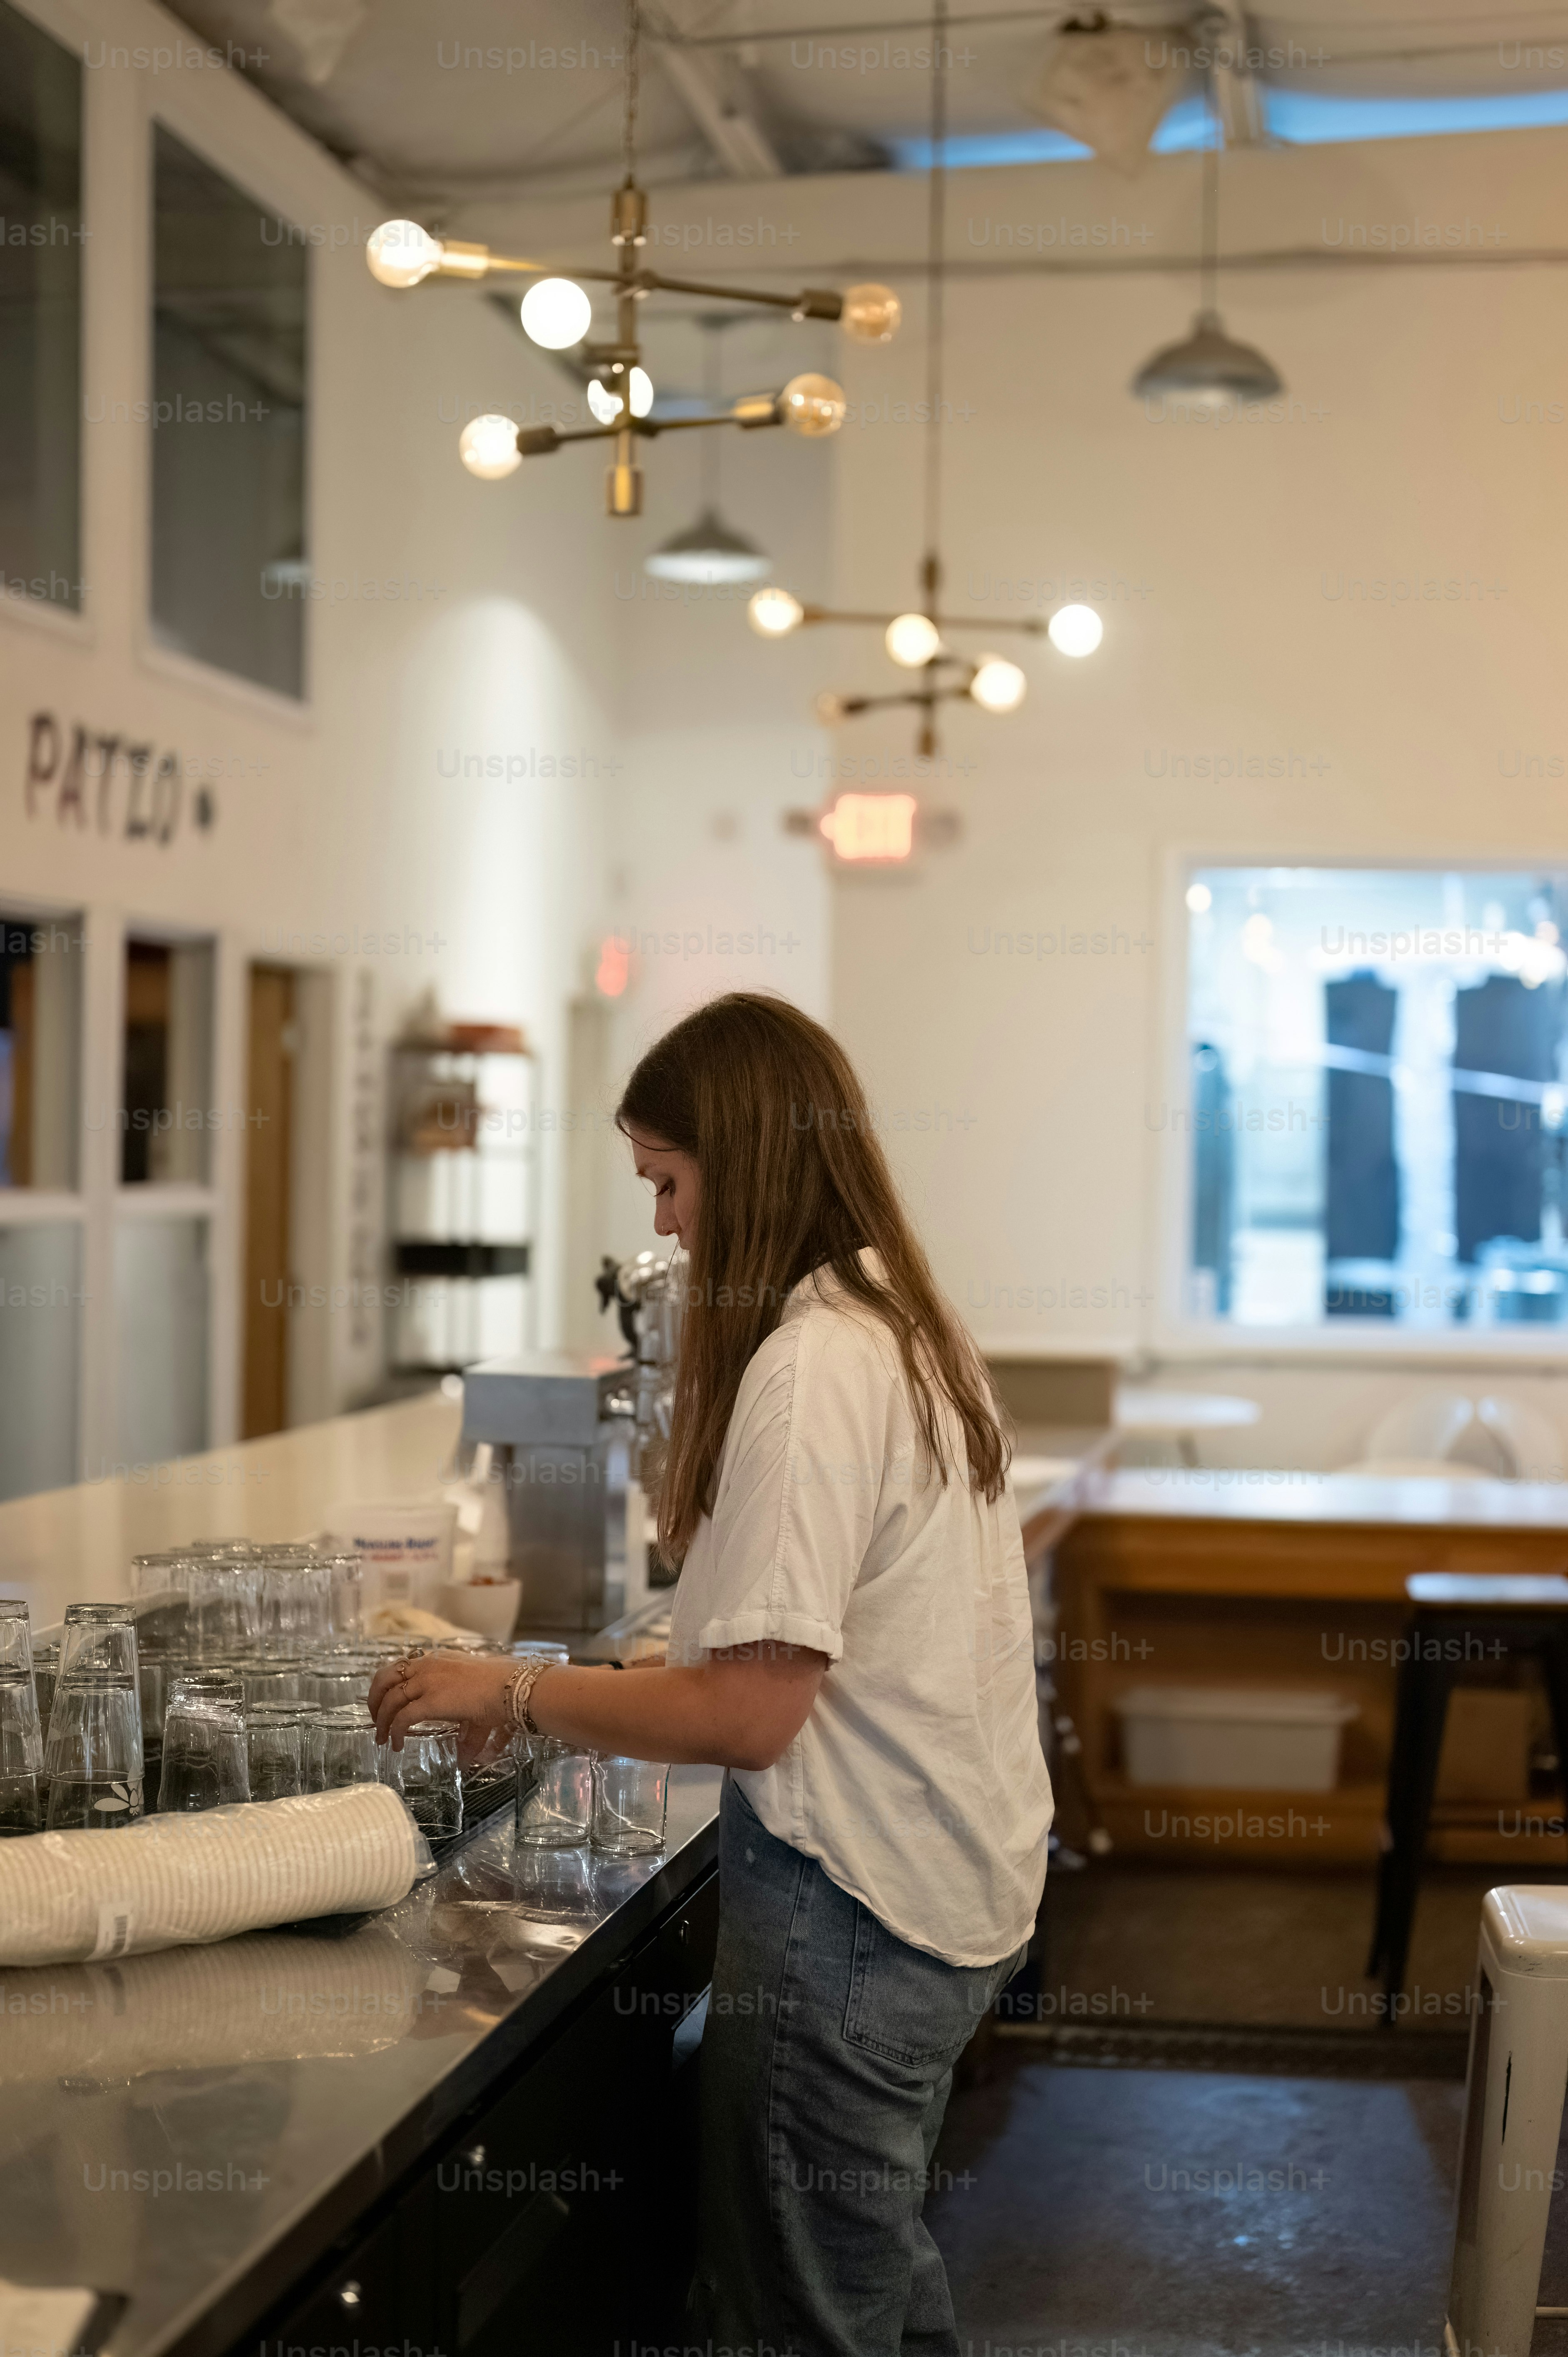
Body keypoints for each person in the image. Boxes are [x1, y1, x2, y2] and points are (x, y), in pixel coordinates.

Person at [370, 992, 1052, 2357]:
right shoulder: (901, 1322)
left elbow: (747, 1713)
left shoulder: (813, 1366)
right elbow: (806, 1631)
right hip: (950, 1888)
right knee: (873, 2280)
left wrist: (506, 1687)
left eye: (670, 1182)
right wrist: (598, 1680)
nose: (667, 1223)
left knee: (795, 2321)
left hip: (852, 1918)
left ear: (740, 1162)